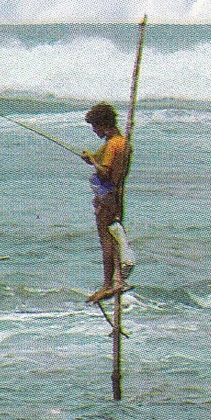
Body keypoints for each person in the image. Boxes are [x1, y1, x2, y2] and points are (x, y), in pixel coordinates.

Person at [82, 102, 130, 304]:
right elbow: (103, 160)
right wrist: (92, 158)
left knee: (107, 241)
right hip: (117, 196)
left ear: (103, 124)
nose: (94, 131)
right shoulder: (122, 142)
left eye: (95, 127)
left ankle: (107, 284)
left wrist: (93, 162)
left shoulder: (112, 145)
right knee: (114, 238)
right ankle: (116, 280)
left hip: (107, 197)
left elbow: (105, 171)